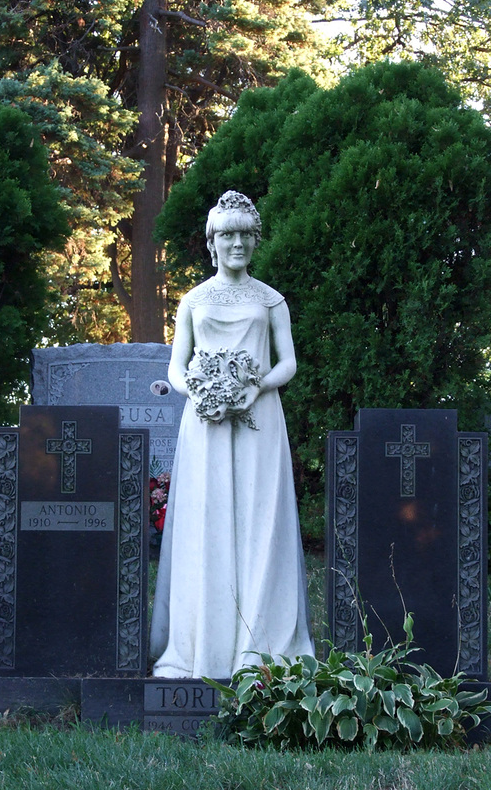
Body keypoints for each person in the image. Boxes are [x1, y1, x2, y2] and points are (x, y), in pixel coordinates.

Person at [150, 191, 314, 678]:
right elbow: (176, 368)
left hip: (259, 420)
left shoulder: (270, 299)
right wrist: (199, 392)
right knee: (209, 524)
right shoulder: (194, 300)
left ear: (254, 239)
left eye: (245, 233)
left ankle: (260, 646)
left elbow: (288, 362)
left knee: (261, 523)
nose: (237, 242)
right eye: (227, 234)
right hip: (203, 425)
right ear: (212, 243)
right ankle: (201, 648)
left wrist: (254, 386)